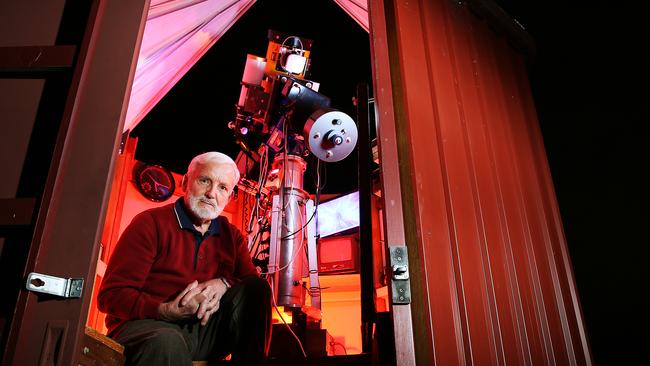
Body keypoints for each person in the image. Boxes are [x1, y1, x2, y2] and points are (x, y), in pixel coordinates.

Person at [98, 152, 272, 366]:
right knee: (167, 341)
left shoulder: (232, 236)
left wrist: (225, 283)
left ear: (230, 197)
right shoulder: (149, 224)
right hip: (146, 326)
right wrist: (163, 310)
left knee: (258, 289)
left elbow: (248, 285)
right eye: (205, 180)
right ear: (185, 182)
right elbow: (111, 296)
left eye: (222, 188)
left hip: (201, 330)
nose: (211, 193)